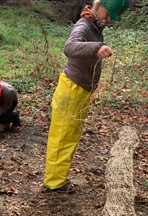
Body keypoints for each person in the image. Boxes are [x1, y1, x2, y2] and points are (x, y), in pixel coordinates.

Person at [44, 0, 129, 193]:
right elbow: (70, 48)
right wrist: (96, 48)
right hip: (71, 90)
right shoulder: (83, 26)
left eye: (111, 17)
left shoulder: (94, 26)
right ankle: (54, 183)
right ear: (98, 5)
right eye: (108, 14)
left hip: (80, 91)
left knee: (71, 136)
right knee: (62, 137)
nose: (108, 20)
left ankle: (59, 179)